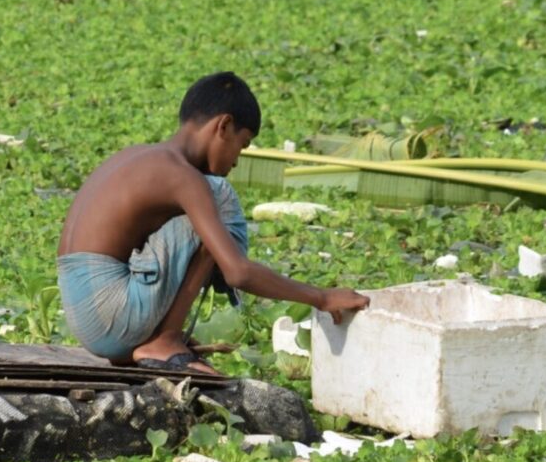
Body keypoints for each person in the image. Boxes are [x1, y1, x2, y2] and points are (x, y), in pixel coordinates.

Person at [57, 72, 370, 374]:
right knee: (216, 205)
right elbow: (237, 272)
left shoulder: (139, 156)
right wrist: (323, 297)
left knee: (204, 214)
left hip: (85, 314)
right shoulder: (184, 178)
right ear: (224, 125)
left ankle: (156, 337)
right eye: (242, 145)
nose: (235, 161)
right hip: (111, 315)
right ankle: (164, 341)